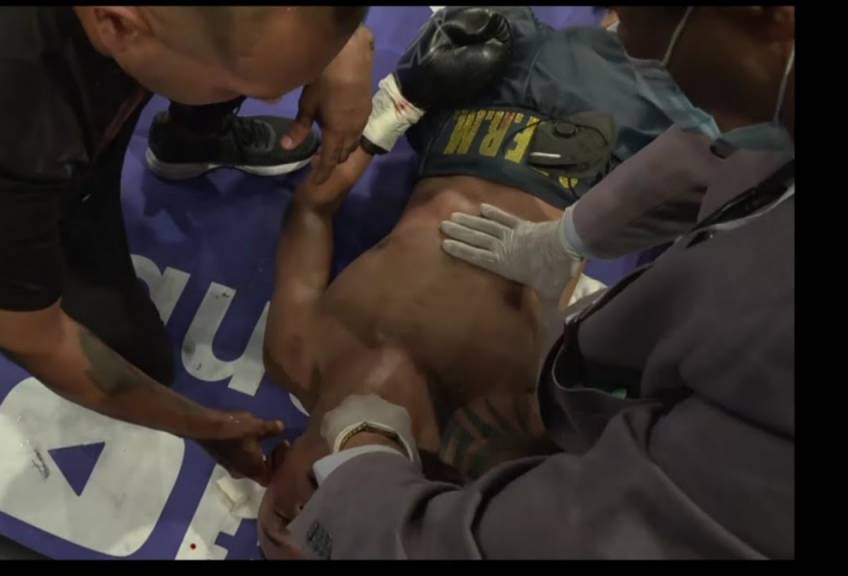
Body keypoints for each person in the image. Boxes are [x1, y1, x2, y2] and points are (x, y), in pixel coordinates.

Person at [267, 5, 795, 558]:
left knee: (488, 26)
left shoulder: (298, 354)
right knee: (655, 55)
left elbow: (312, 210)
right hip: (592, 150)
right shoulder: (489, 443)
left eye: (288, 521)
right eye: (322, 542)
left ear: (272, 468)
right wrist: (561, 256)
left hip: (464, 125)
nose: (309, 514)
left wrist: (395, 108)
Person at [0, 6, 374, 483]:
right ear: (117, 26)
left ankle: (195, 134)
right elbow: (37, 339)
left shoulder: (133, 36)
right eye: (256, 90)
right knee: (132, 359)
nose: (281, 99)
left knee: (247, 47)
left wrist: (339, 48)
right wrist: (204, 426)